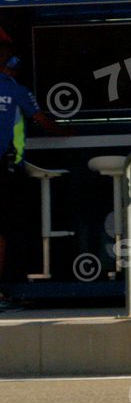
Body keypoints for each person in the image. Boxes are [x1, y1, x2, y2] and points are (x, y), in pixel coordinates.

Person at [0, 43, 67, 311]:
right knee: (4, 232)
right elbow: (43, 121)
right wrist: (69, 133)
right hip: (4, 170)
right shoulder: (17, 90)